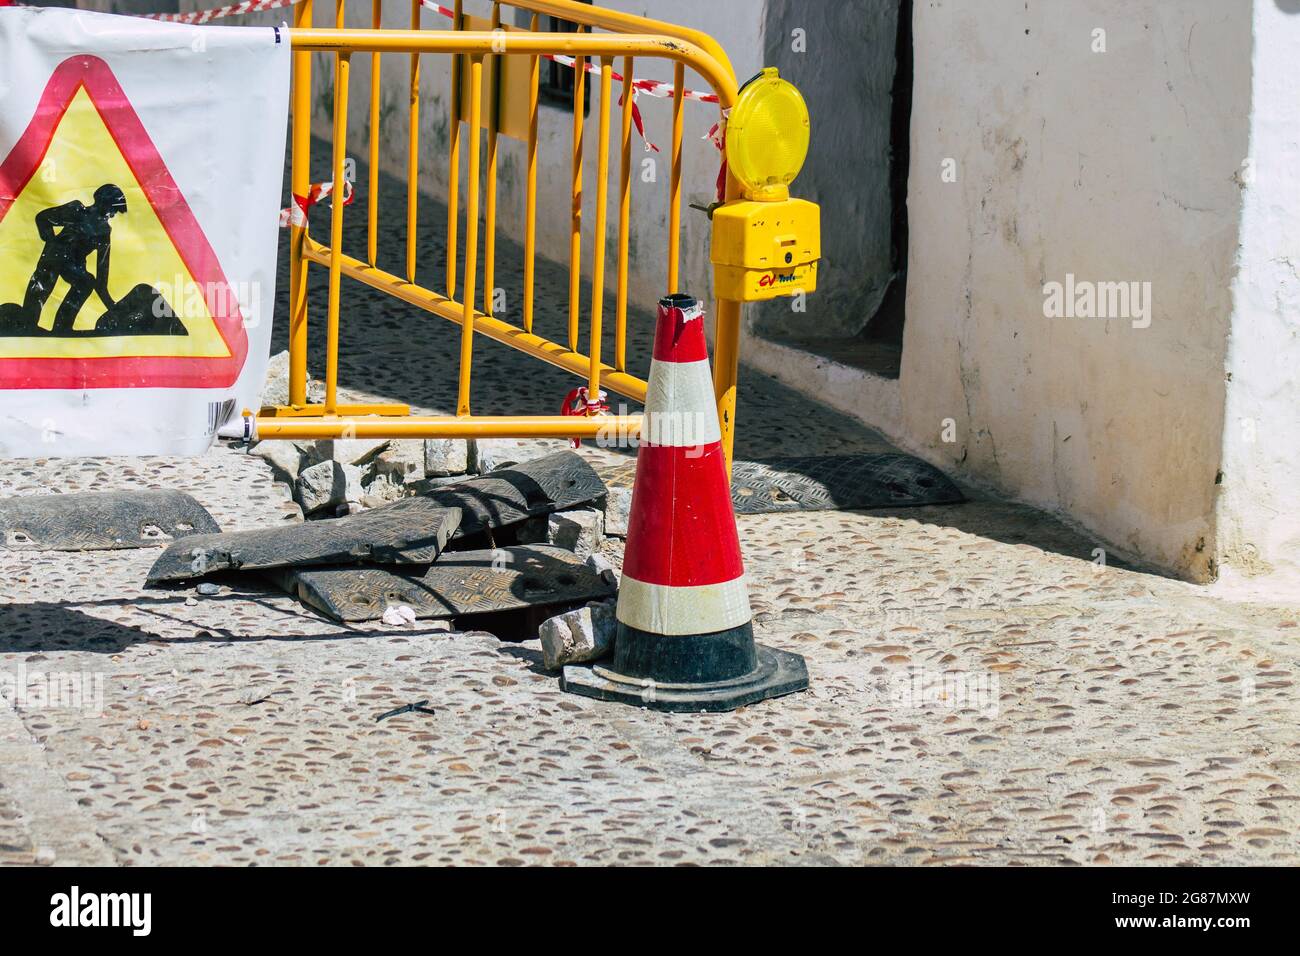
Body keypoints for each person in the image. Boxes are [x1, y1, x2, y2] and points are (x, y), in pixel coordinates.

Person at [21, 183, 127, 333]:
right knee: (41, 285)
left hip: (74, 266)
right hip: (54, 258)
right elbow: (42, 218)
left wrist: (112, 307)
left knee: (86, 282)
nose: (113, 214)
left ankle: (62, 328)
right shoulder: (77, 210)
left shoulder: (104, 232)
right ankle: (27, 324)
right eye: (113, 209)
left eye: (115, 211)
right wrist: (52, 242)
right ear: (102, 202)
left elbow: (101, 278)